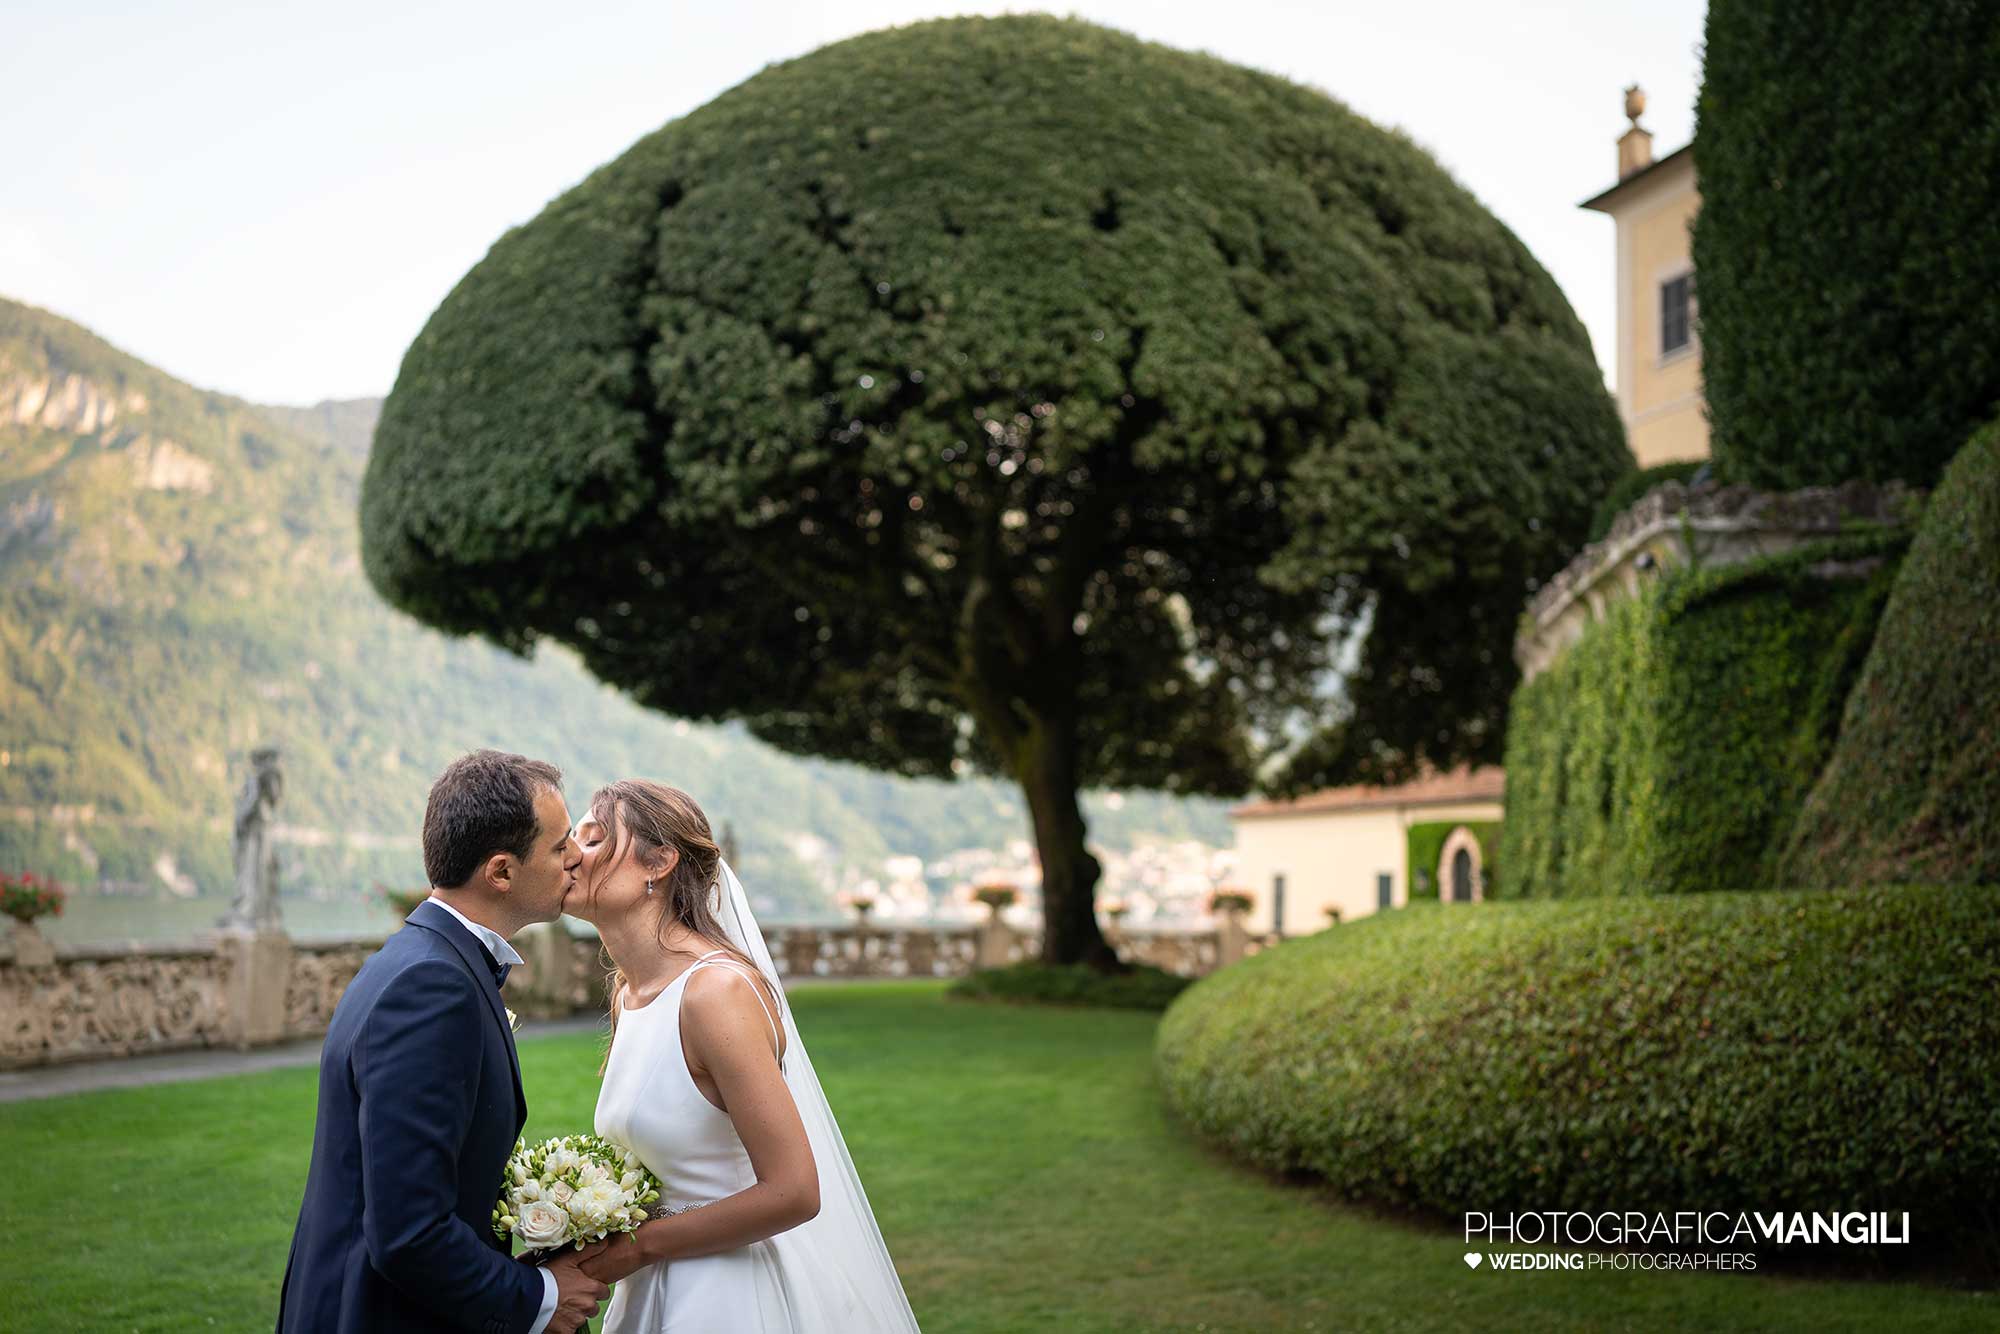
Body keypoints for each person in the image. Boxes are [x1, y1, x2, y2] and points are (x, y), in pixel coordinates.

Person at [565, 779, 920, 1332]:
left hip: (729, 1297)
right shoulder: (629, 992)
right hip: (652, 1291)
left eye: (593, 840)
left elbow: (794, 1191)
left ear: (657, 862)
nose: (569, 855)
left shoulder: (715, 993)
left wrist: (637, 1247)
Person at [277, 750, 609, 1334]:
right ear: (501, 872)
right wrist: (539, 1299)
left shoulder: (424, 958)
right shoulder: (434, 987)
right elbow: (409, 1233)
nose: (577, 858)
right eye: (560, 847)